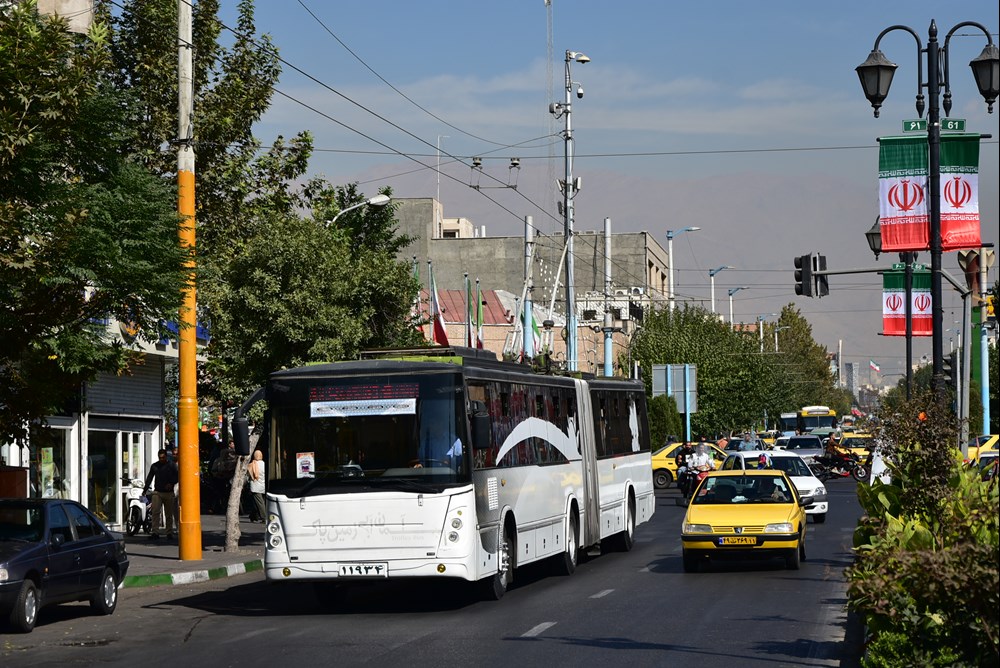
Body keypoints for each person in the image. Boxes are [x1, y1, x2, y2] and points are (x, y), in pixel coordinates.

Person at [144, 448, 179, 540]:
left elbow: (177, 476)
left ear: (166, 457)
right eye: (160, 458)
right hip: (157, 492)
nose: (161, 459)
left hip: (169, 493)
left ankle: (169, 532)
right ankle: (155, 532)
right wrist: (145, 490)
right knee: (155, 512)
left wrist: (171, 483)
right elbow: (149, 478)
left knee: (169, 514)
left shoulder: (171, 465)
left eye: (163, 457)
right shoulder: (155, 466)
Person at [247, 450, 266, 523]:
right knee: (258, 502)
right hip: (263, 485)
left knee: (259, 503)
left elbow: (248, 476)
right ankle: (253, 516)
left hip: (255, 486)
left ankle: (264, 518)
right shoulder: (264, 464)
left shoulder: (252, 465)